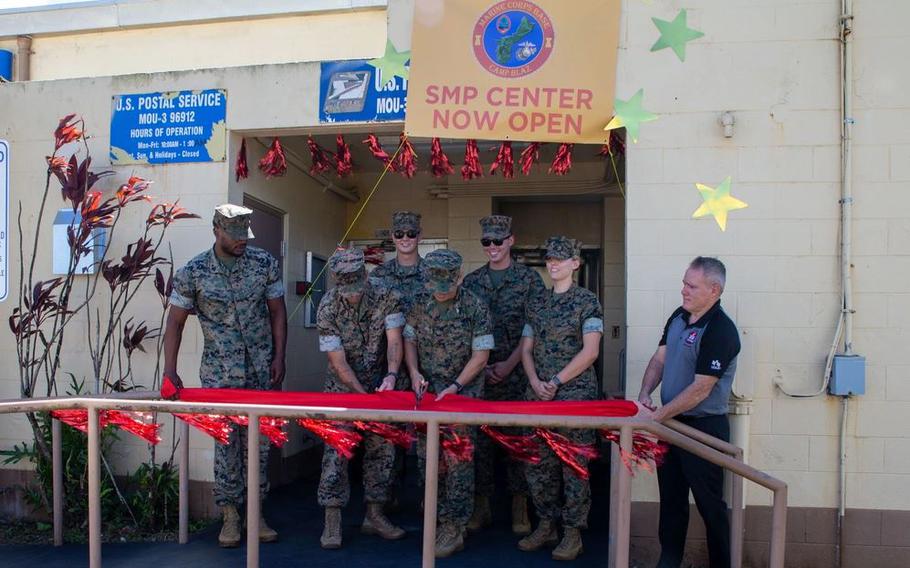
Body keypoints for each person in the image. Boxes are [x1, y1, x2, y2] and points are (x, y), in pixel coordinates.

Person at [163, 203, 287, 548]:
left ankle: (256, 514)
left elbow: (277, 312)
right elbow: (175, 322)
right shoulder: (195, 272)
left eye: (244, 234)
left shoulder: (264, 264)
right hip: (220, 377)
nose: (241, 241)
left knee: (259, 447)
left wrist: (280, 356)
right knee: (227, 446)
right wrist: (169, 371)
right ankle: (230, 516)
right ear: (217, 231)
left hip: (261, 373)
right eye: (234, 234)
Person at [636, 256, 740, 568]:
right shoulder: (679, 317)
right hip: (670, 425)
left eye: (691, 285)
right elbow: (659, 360)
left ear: (714, 290)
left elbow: (701, 389)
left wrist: (657, 416)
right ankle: (669, 561)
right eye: (683, 283)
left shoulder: (721, 330)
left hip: (704, 429)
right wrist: (644, 395)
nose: (683, 290)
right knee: (671, 502)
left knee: (711, 507)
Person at [403, 248, 493, 558]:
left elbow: (481, 356)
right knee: (428, 459)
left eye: (446, 287)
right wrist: (413, 372)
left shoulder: (475, 307)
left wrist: (456, 386)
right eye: (434, 286)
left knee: (458, 463)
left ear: (457, 279)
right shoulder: (418, 304)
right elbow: (410, 340)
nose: (440, 293)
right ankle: (435, 519)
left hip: (462, 396)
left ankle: (454, 526)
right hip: (428, 396)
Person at [315, 247, 407, 549]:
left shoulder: (386, 294)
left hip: (382, 385)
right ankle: (332, 519)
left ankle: (375, 514)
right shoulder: (327, 307)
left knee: (382, 451)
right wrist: (360, 394)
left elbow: (394, 341)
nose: (353, 294)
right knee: (336, 453)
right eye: (347, 289)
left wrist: (392, 375)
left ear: (365, 277)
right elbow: (339, 363)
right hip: (344, 390)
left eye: (357, 286)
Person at [517, 236, 603, 561]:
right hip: (537, 395)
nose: (553, 263)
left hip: (574, 397)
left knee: (573, 465)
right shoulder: (537, 302)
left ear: (575, 263)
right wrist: (535, 381)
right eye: (550, 258)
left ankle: (572, 532)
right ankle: (546, 524)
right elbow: (526, 348)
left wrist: (555, 381)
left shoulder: (587, 302)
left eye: (561, 259)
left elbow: (591, 351)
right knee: (538, 465)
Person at [462, 214, 545, 535]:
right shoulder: (471, 282)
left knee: (517, 443)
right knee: (480, 444)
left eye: (499, 240)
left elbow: (534, 330)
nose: (493, 247)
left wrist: (510, 365)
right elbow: (464, 330)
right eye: (487, 241)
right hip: (479, 377)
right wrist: (481, 366)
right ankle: (481, 507)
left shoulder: (529, 281)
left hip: (516, 375)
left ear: (511, 240)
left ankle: (519, 507)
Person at [368, 210, 430, 510]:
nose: (406, 239)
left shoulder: (433, 273)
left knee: (428, 436)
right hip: (388, 365)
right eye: (400, 234)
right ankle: (384, 500)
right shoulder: (378, 276)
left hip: (426, 364)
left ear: (420, 236)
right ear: (392, 238)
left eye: (411, 234)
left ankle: (428, 499)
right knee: (387, 435)